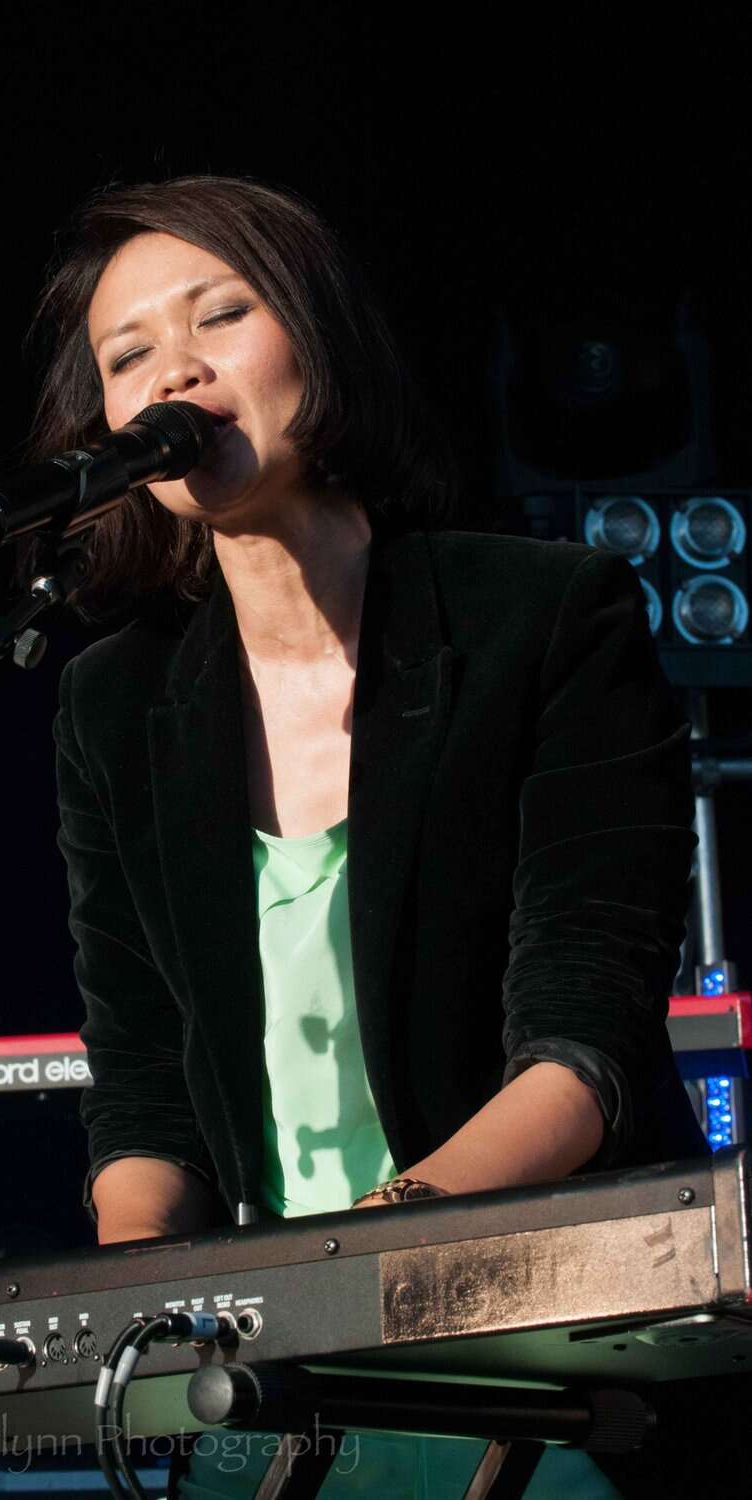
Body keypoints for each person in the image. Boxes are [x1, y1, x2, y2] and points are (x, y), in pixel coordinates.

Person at [38, 175, 709, 1499]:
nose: (174, 369)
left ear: (319, 335)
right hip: (267, 1387)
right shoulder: (114, 703)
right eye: (128, 356)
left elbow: (583, 1043)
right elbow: (146, 1083)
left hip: (550, 1365)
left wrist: (358, 1263)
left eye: (220, 315)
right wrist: (131, 1303)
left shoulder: (545, 618)